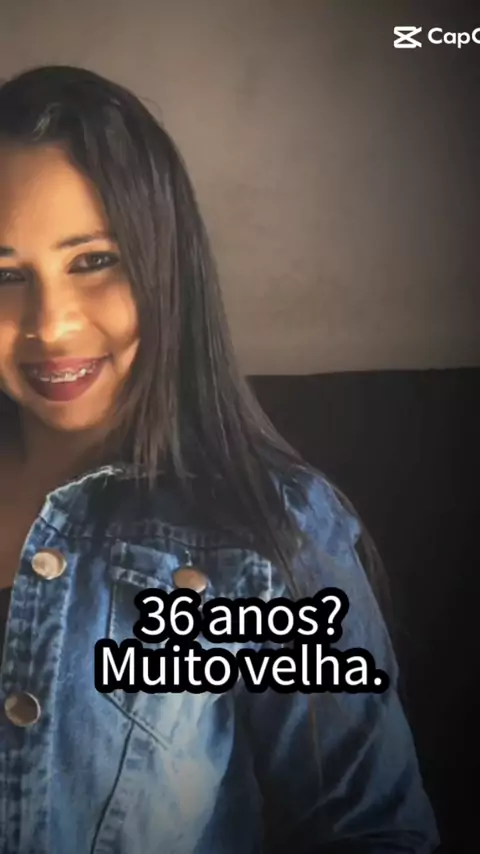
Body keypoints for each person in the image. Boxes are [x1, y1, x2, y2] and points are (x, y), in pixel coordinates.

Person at [0, 65, 439, 854]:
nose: (51, 325)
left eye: (94, 260)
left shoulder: (274, 532)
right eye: (4, 275)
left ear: (165, 263)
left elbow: (372, 831)